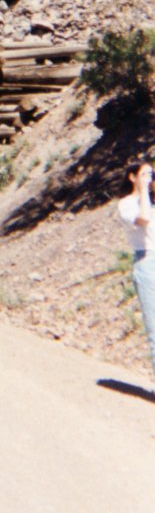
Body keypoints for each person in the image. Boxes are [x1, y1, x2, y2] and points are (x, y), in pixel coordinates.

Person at [118, 159, 155, 381]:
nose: (149, 179)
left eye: (151, 175)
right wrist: (142, 193)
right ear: (132, 177)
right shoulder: (126, 204)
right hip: (147, 262)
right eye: (144, 175)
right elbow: (143, 220)